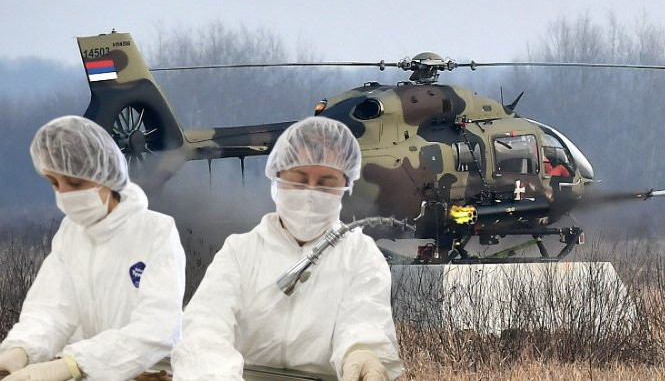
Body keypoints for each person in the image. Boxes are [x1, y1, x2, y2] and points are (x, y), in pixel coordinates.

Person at [171, 116, 403, 380]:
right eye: (299, 179)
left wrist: (362, 353)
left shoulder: (360, 255)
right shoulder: (241, 251)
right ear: (277, 179)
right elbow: (205, 326)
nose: (310, 193)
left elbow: (364, 318)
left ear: (345, 187)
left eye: (327, 183)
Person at [0, 116, 185, 381]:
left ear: (105, 176)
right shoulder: (70, 234)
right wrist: (21, 351)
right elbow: (51, 309)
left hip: (149, 375)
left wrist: (73, 364)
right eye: (54, 183)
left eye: (74, 184)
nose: (63, 193)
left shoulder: (156, 232)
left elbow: (158, 328)